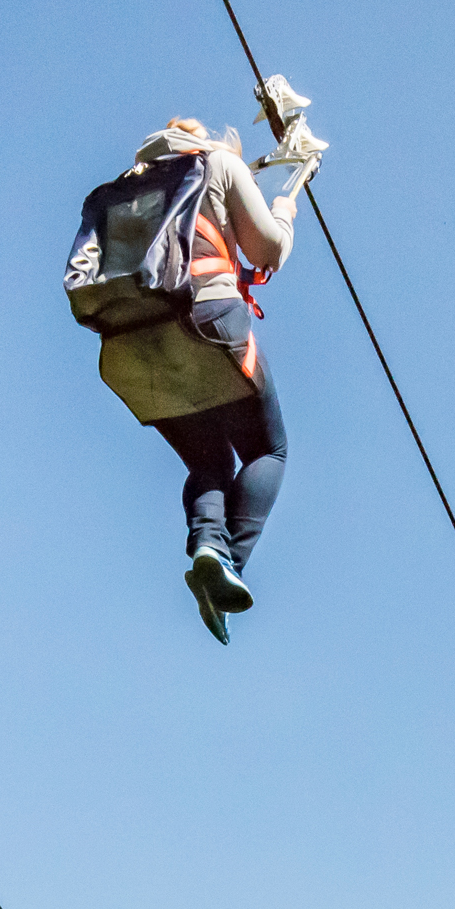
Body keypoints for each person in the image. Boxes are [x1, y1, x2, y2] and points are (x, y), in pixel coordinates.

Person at [99, 117, 303, 640]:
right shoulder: (217, 163)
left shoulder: (131, 186)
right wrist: (284, 210)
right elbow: (267, 252)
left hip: (134, 342)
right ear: (202, 135)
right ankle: (228, 561)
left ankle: (208, 547)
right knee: (267, 451)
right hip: (208, 319)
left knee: (209, 458)